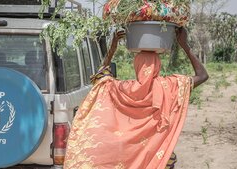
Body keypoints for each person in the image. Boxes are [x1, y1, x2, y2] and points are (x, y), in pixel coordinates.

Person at [64, 27, 208, 169]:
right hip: (159, 157)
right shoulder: (169, 87)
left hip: (127, 154)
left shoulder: (121, 88)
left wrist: (112, 47)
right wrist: (184, 45)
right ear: (157, 66)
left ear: (136, 66)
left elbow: (100, 76)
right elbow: (202, 75)